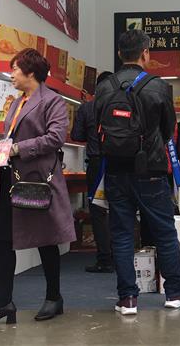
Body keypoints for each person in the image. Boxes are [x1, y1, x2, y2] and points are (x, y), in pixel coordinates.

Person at [0, 48, 76, 326]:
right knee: (1, 241)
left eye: (15, 69)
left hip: (36, 180)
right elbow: (6, 143)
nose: (12, 74)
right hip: (8, 180)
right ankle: (3, 303)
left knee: (46, 240)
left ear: (31, 72)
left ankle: (54, 297)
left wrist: (20, 148)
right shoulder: (16, 102)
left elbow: (55, 138)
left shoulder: (52, 101)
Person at [95, 29, 180, 315]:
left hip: (115, 169)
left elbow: (97, 125)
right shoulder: (158, 86)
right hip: (150, 169)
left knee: (122, 234)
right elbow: (168, 129)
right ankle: (174, 292)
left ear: (119, 54)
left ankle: (127, 298)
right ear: (146, 53)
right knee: (164, 232)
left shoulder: (105, 86)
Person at [72, 71, 114, 273]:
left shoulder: (87, 108)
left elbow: (77, 135)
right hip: (119, 163)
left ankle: (104, 259)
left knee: (98, 212)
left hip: (97, 164)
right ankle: (121, 256)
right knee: (120, 209)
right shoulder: (122, 106)